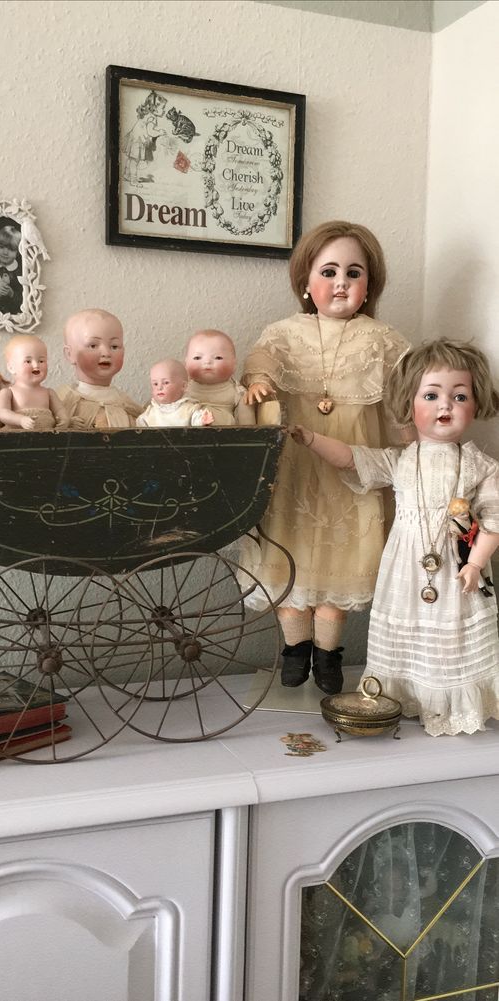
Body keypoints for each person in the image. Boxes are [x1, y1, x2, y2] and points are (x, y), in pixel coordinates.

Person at [292, 338, 499, 736]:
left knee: (450, 632)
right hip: (405, 569)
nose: (446, 406)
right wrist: (312, 439)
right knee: (407, 628)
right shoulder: (401, 460)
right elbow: (353, 457)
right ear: (410, 404)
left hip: (457, 569)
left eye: (460, 396)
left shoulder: (479, 465)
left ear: (476, 404)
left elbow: (492, 519)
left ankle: (446, 702)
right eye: (432, 395)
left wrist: (476, 563)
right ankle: (401, 693)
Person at [241, 221, 413, 694]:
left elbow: (403, 397)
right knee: (288, 559)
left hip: (352, 473)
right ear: (305, 282)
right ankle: (294, 649)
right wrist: (258, 381)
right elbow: (260, 362)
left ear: (368, 285)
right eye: (329, 270)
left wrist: (412, 440)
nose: (341, 282)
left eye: (353, 273)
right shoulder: (283, 333)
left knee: (340, 564)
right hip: (293, 471)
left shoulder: (383, 340)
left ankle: (329, 654)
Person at [57, 308, 141, 428]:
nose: (106, 352)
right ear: (69, 354)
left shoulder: (127, 405)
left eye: (114, 346)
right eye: (93, 345)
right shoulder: (62, 401)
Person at [0, 334, 69, 431]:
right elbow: (1, 412)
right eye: (28, 361)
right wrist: (20, 420)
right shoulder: (8, 392)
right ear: (11, 367)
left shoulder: (49, 392)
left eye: (41, 361)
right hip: (17, 436)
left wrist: (64, 419)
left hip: (46, 436)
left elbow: (60, 410)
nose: (36, 365)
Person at [186, 329, 256, 426]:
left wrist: (249, 432)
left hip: (223, 433)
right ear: (186, 363)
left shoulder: (237, 391)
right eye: (197, 358)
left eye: (218, 357)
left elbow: (246, 418)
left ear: (233, 364)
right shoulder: (182, 387)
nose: (207, 362)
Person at [137, 358, 214, 427]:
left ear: (183, 386)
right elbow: (139, 427)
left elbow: (196, 420)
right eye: (155, 384)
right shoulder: (151, 411)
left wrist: (203, 420)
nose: (159, 388)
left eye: (166, 382)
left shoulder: (188, 409)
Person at [0, 225, 23, 314]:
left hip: (12, 314)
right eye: (1, 247)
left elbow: (24, 299)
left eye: (11, 249)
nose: (5, 252)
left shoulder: (20, 271)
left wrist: (11, 293)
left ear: (17, 252)